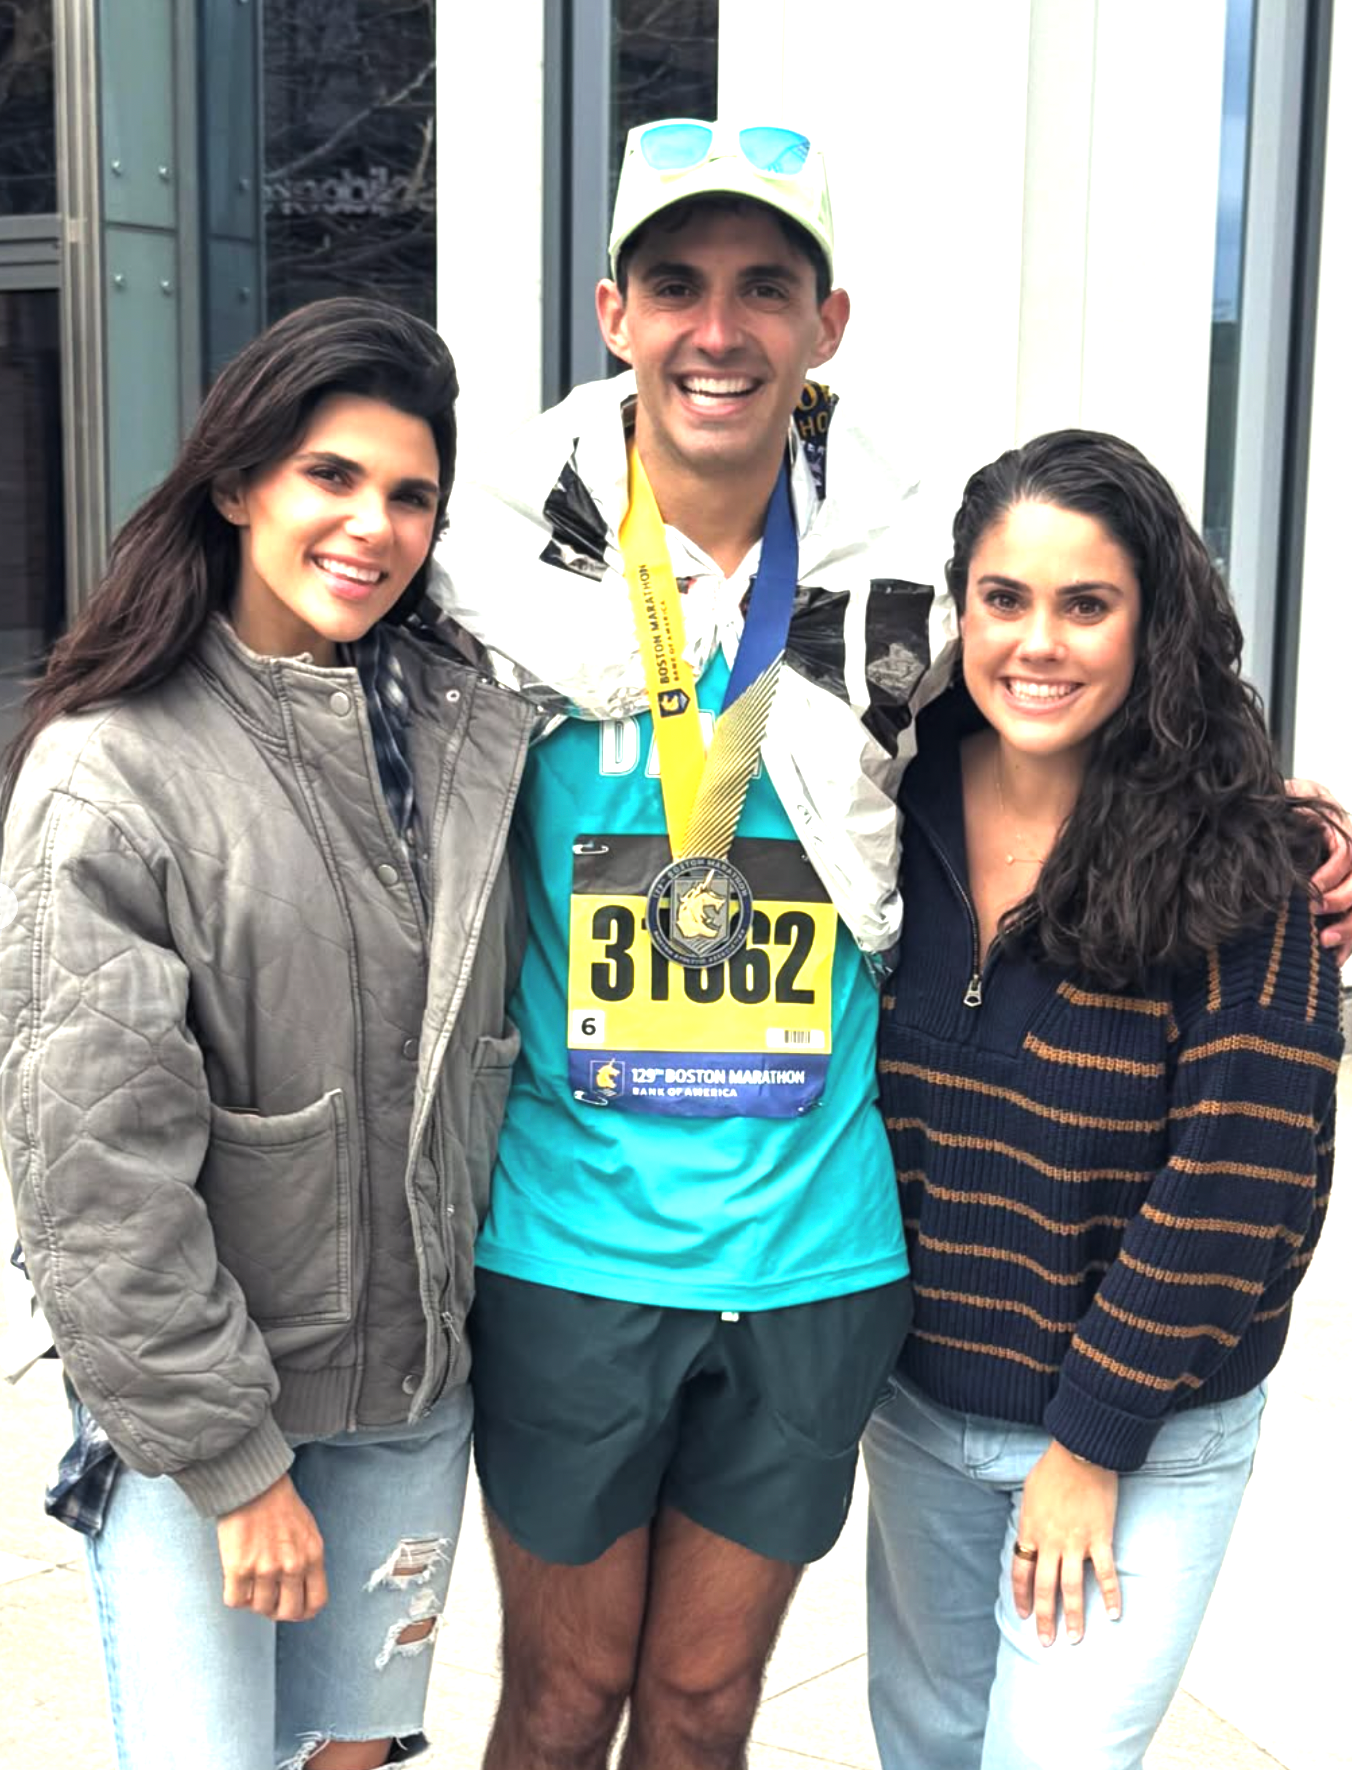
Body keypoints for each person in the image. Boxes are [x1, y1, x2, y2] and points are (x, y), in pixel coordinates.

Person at [431, 120, 953, 1769]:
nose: (715, 329)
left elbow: (1087, 717)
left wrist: (1292, 813)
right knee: (564, 1698)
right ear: (613, 311)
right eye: (676, 286)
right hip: (570, 1251)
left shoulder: (912, 590)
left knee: (708, 1705)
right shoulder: (488, 581)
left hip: (813, 1257)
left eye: (761, 288)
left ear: (826, 326)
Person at [0, 298, 533, 1770]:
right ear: (238, 484)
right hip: (208, 1424)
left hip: (411, 1400)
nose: (373, 523)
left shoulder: (467, 730)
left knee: (349, 1757)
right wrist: (234, 1469)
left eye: (409, 492)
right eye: (330, 476)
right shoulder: (111, 772)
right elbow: (95, 1182)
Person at [862, 429, 1344, 1770]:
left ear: (1152, 621)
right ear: (960, 608)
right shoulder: (881, 800)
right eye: (1005, 598)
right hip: (922, 1399)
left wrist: (1090, 1443)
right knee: (930, 1744)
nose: (1039, 642)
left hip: (1138, 1434)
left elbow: (1234, 1188)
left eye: (1087, 603)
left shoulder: (1246, 865)